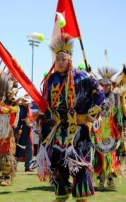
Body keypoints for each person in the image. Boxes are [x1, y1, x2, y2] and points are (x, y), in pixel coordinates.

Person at [37, 33, 105, 202]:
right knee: (57, 162)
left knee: (79, 163)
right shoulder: (50, 79)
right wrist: (44, 118)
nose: (59, 63)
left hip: (78, 128)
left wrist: (91, 115)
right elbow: (45, 103)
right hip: (59, 129)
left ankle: (82, 198)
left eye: (63, 59)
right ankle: (61, 194)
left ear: (69, 60)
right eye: (57, 59)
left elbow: (100, 93)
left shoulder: (82, 76)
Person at [92, 66, 126, 190]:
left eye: (107, 85)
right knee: (100, 156)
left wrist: (124, 127)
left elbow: (125, 114)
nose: (105, 87)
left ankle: (110, 179)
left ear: (111, 85)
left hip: (113, 133)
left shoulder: (117, 98)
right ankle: (101, 180)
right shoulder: (96, 98)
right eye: (102, 84)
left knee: (112, 156)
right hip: (99, 132)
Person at [14, 94, 34, 172]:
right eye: (24, 101)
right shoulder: (18, 109)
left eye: (27, 101)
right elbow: (15, 121)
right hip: (19, 130)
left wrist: (30, 124)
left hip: (27, 131)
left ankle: (27, 167)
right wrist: (16, 131)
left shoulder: (29, 110)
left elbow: (31, 120)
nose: (26, 103)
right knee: (17, 149)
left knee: (29, 149)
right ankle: (14, 165)